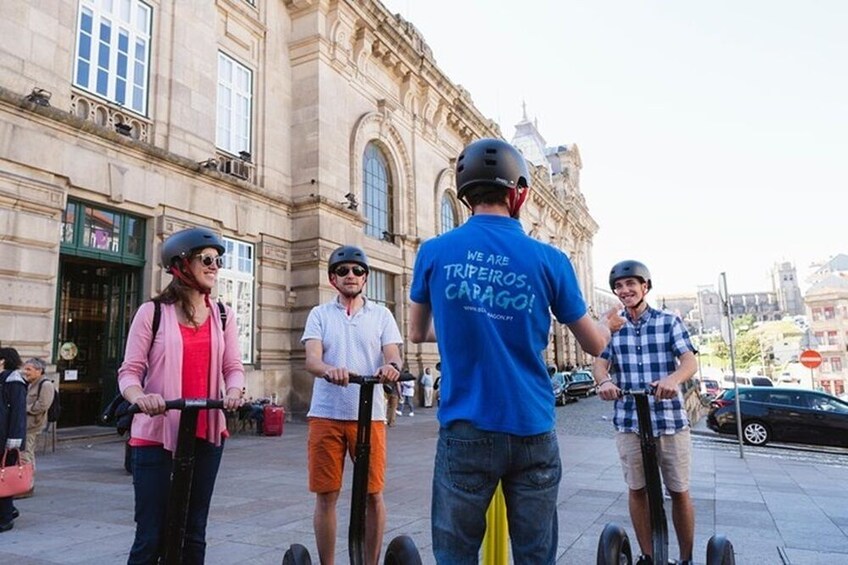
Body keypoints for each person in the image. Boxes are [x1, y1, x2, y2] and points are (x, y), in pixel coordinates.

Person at [408, 138, 624, 563]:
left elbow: (417, 332)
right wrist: (609, 323)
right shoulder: (550, 258)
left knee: (455, 554)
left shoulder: (433, 252)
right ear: (519, 193)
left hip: (465, 429)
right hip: (532, 428)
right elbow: (595, 344)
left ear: (464, 192)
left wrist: (465, 320)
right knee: (534, 554)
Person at [118, 226, 245, 564]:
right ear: (181, 264)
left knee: (193, 532)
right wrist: (139, 398)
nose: (215, 266)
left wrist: (234, 391)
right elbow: (129, 371)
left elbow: (233, 367)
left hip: (205, 433)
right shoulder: (152, 313)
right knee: (150, 535)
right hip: (155, 437)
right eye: (207, 259)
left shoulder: (223, 315)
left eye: (218, 260)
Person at [301, 245, 403, 565]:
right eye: (343, 271)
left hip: (368, 416)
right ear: (333, 278)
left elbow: (393, 354)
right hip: (326, 414)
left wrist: (391, 367)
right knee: (326, 495)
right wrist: (328, 369)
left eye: (357, 271)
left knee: (373, 494)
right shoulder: (320, 314)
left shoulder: (382, 315)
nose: (351, 275)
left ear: (365, 278)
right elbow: (312, 359)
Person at [594, 260, 699, 565]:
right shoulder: (613, 326)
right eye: (619, 287)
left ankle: (686, 558)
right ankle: (648, 558)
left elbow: (689, 362)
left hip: (669, 421)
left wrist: (672, 380)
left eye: (631, 284)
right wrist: (605, 381)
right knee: (637, 489)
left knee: (679, 491)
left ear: (645, 287)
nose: (624, 291)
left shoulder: (669, 321)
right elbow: (600, 363)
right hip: (629, 420)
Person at [0, 347, 27, 532]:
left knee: (4, 477)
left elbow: (18, 413)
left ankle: (6, 518)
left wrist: (14, 441)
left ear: (3, 360)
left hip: (6, 439)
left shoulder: (14, 381)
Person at [22, 357, 54, 471]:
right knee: (27, 452)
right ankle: (29, 475)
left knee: (25, 452)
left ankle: (27, 477)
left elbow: (43, 405)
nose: (25, 372)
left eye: (28, 369)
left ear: (39, 370)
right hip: (27, 423)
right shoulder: (31, 383)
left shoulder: (45, 385)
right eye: (25, 369)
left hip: (33, 424)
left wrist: (24, 408)